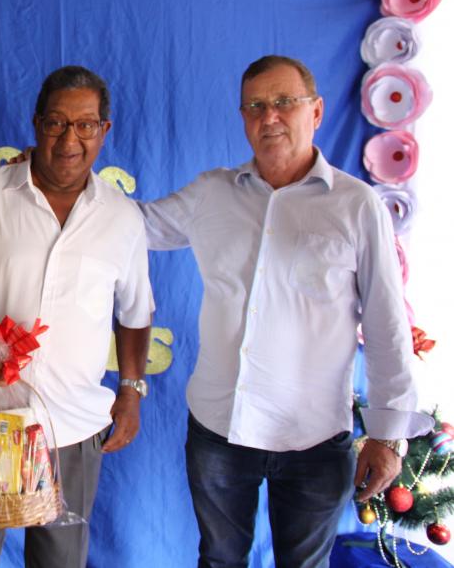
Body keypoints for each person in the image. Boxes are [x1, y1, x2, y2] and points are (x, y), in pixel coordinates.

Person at [140, 55, 433, 567]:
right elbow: (131, 226)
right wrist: (59, 183)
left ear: (315, 111)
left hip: (314, 437)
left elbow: (386, 324)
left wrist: (388, 436)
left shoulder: (357, 205)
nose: (268, 117)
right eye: (254, 106)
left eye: (283, 102)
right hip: (219, 428)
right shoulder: (212, 193)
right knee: (219, 561)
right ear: (242, 117)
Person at [0, 66, 155, 568]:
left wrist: (131, 391)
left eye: (85, 125)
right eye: (56, 123)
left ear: (104, 130)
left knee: (60, 561)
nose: (70, 139)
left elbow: (136, 313)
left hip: (74, 425)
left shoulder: (122, 217)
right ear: (36, 124)